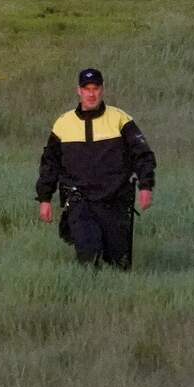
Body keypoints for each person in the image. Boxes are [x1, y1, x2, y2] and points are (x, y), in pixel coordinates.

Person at [36, 68, 156, 269]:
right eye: (86, 89)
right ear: (79, 91)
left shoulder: (120, 119)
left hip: (115, 200)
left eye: (95, 88)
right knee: (89, 256)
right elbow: (50, 163)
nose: (91, 94)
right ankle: (88, 291)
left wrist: (146, 186)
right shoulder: (63, 124)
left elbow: (142, 154)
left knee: (119, 263)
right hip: (79, 200)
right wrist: (45, 199)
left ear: (102, 90)